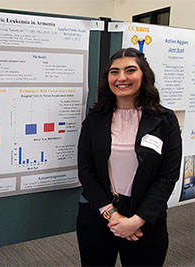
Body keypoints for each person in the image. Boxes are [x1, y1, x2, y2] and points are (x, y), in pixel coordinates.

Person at [76, 47, 181, 266]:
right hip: (99, 213)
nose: (121, 77)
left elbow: (168, 176)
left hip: (146, 217)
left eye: (130, 70)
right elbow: (86, 170)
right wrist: (112, 215)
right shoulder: (95, 118)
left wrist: (136, 221)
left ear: (144, 76)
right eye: (114, 72)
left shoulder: (165, 120)